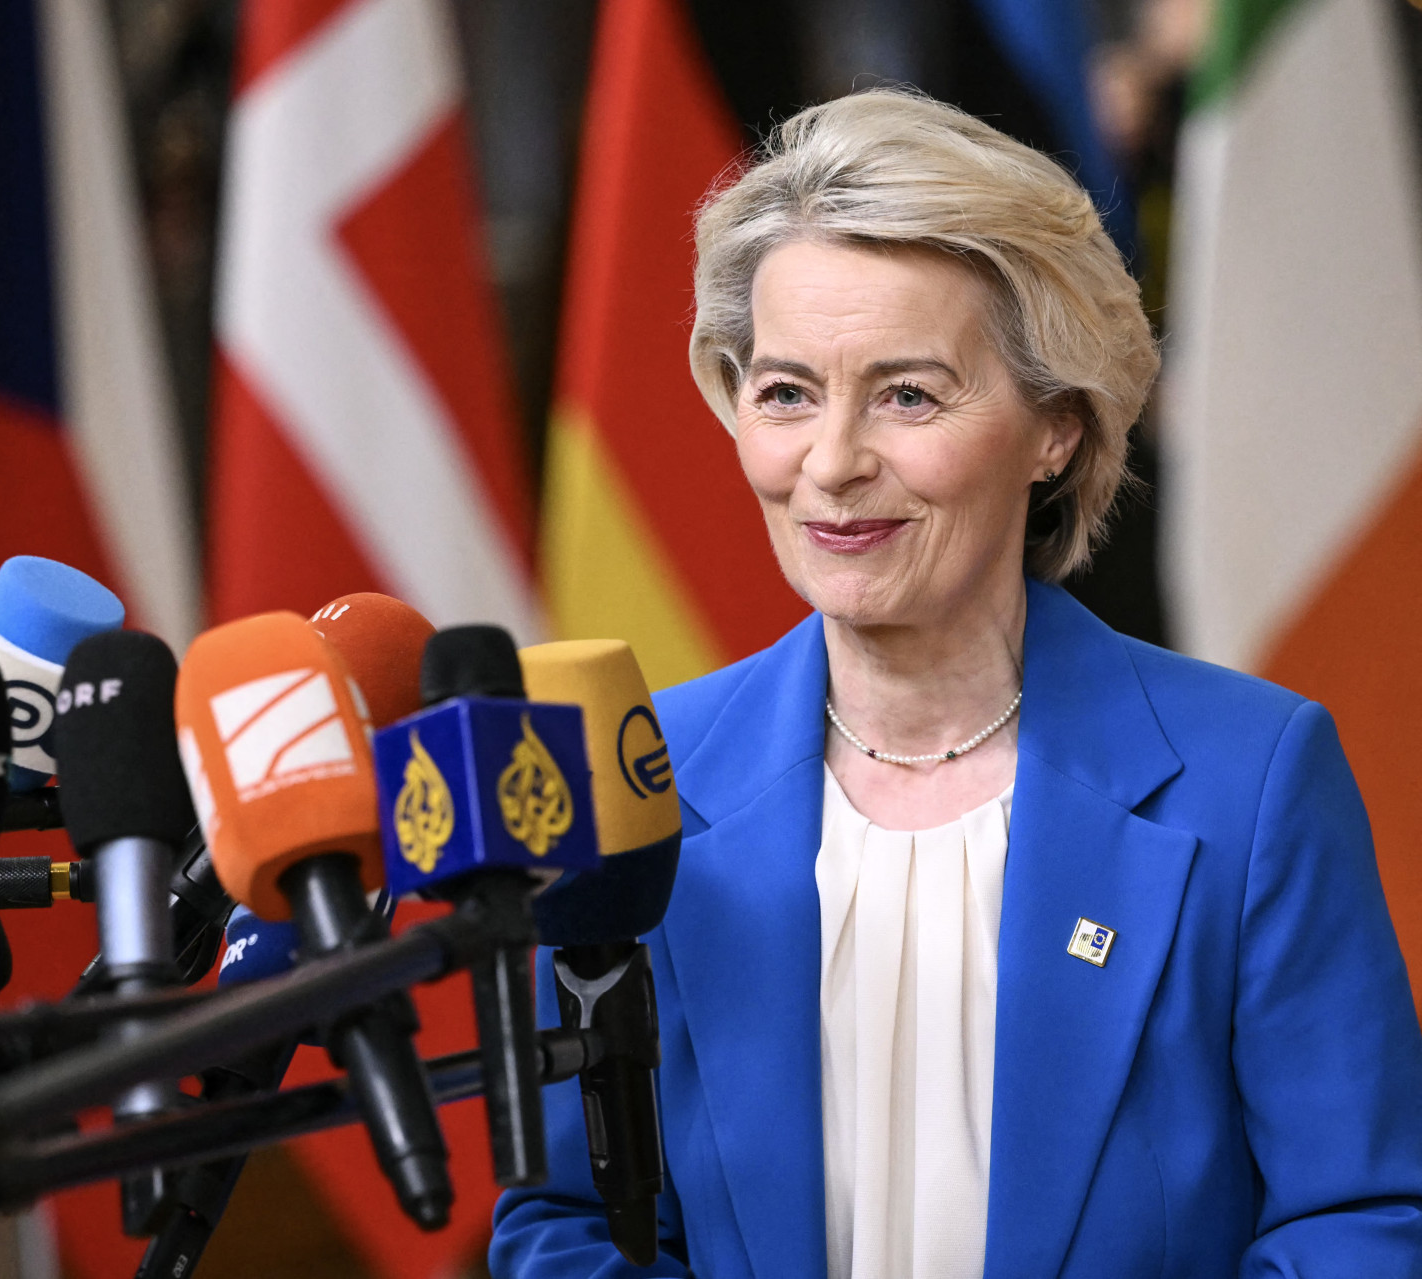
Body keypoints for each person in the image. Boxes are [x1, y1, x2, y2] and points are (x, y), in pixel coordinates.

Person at [491, 89, 1422, 1278]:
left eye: (908, 394)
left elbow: (1361, 1221)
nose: (833, 462)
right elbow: (566, 1221)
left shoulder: (1251, 778)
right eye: (786, 392)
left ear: (1057, 427)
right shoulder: (637, 781)